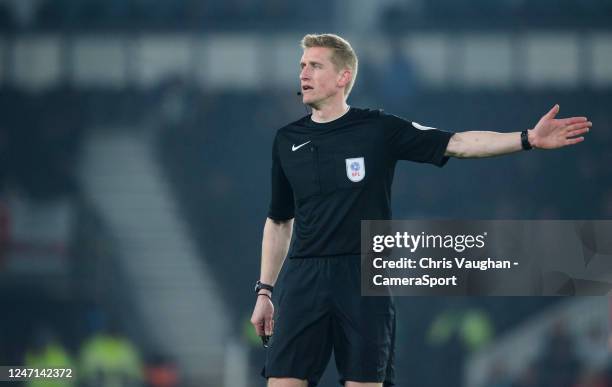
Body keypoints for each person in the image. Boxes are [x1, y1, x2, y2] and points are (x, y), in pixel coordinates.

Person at [250, 33, 592, 387]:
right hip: (304, 276)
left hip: (363, 278)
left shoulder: (378, 129)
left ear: (343, 77)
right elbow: (278, 220)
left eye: (315, 66)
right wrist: (265, 292)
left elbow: (457, 142)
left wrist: (527, 139)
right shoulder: (287, 140)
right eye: (302, 66)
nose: (304, 73)